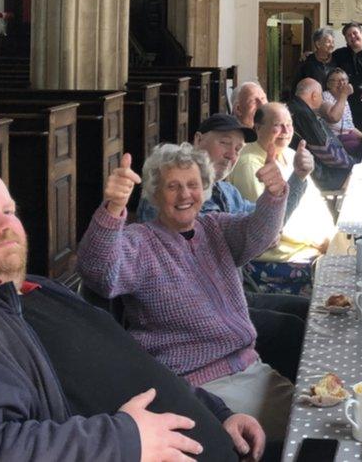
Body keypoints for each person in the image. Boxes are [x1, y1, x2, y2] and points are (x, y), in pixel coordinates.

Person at [0, 168, 265, 461]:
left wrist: (215, 413)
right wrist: (123, 441)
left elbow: (131, 361)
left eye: (8, 211)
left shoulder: (30, 289)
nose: (7, 226)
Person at [78, 143, 294, 444]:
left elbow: (260, 233)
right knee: (309, 436)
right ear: (155, 193)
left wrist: (273, 195)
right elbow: (98, 272)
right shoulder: (139, 242)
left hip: (250, 368)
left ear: (204, 188)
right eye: (172, 186)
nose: (184, 195)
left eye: (192, 185)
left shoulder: (215, 228)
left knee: (322, 420)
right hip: (199, 388)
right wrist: (113, 208)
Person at [137, 112, 313, 382]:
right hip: (197, 314)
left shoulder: (226, 192)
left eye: (239, 148)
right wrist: (259, 232)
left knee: (309, 311)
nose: (232, 154)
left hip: (233, 294)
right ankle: (289, 402)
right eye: (225, 143)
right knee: (291, 330)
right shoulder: (170, 196)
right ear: (197, 139)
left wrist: (296, 179)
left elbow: (266, 227)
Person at [226, 102, 335, 296]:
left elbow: (315, 201)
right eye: (278, 125)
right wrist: (316, 240)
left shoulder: (291, 154)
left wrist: (329, 234)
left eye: (289, 124)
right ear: (258, 128)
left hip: (310, 246)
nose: (285, 131)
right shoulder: (249, 164)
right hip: (281, 256)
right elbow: (268, 223)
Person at [287, 78, 356, 191]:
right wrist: (353, 163)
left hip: (300, 169)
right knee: (358, 176)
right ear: (314, 96)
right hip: (317, 175)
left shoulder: (293, 106)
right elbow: (328, 153)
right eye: (321, 96)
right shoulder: (304, 114)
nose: (322, 100)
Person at [319, 67, 362, 157]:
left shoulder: (343, 99)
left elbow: (350, 127)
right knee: (361, 148)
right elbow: (333, 117)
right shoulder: (324, 96)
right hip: (333, 140)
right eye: (336, 81)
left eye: (344, 80)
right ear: (328, 84)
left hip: (347, 137)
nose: (341, 84)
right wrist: (344, 94)